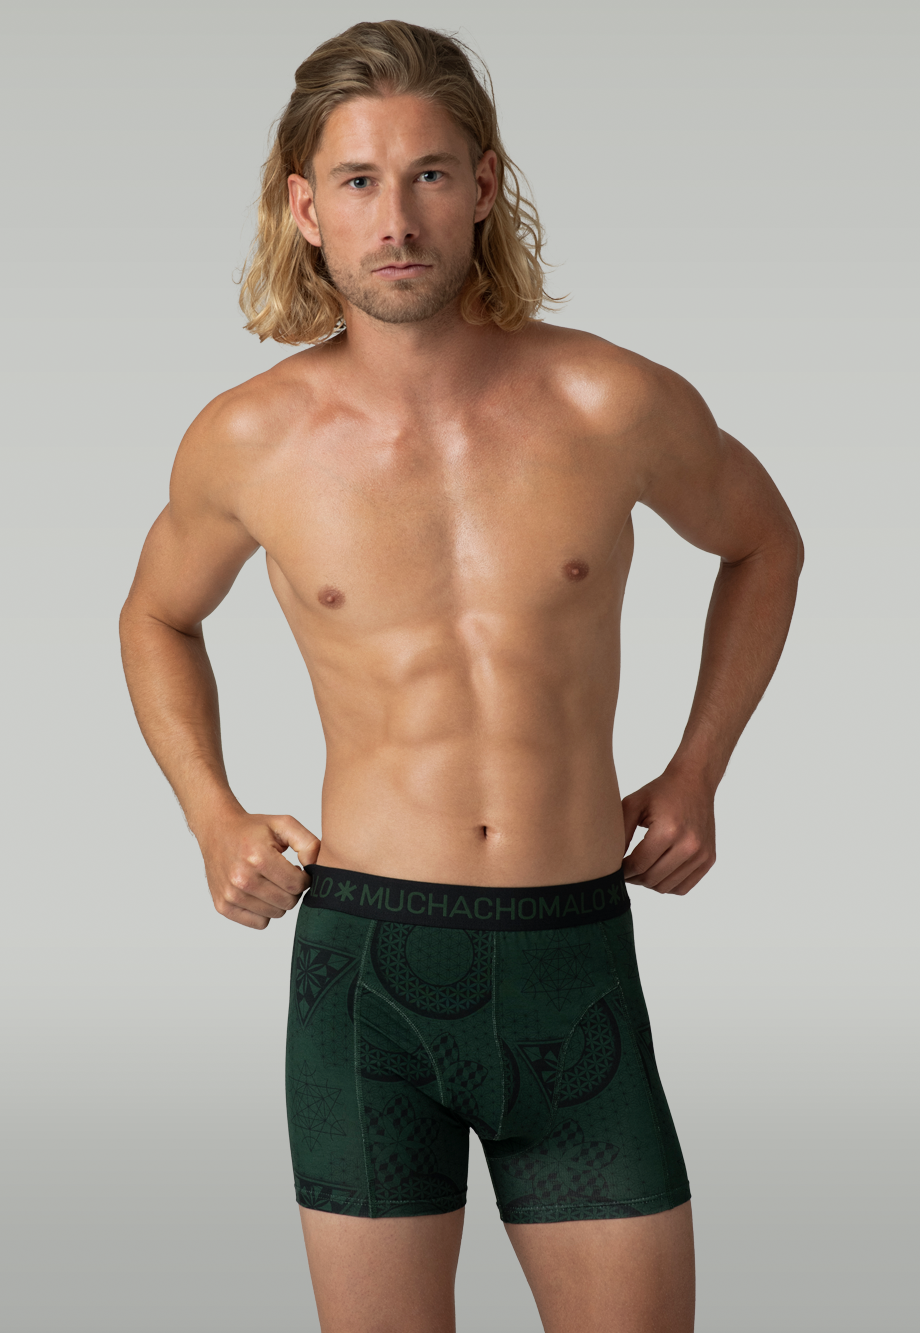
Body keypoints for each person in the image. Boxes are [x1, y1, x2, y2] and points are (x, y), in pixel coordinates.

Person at [119, 19, 803, 1333]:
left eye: (430, 174)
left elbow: (764, 543)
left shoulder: (613, 401)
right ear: (304, 208)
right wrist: (212, 815)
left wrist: (698, 770)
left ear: (484, 187)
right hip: (366, 979)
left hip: (572, 958)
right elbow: (155, 617)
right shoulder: (250, 438)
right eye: (360, 181)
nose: (397, 219)